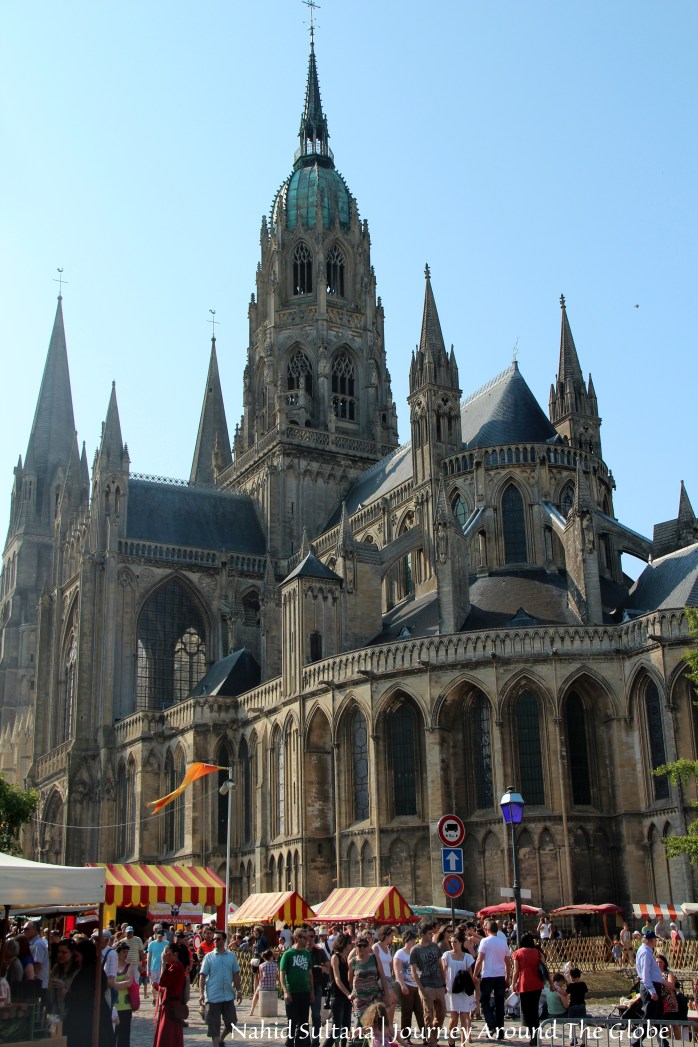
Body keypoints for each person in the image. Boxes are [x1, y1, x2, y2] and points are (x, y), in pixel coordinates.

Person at [63, 939, 114, 1047]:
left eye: (78, 955)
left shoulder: (90, 971)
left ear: (84, 954)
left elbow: (83, 995)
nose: (76, 959)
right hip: (91, 1016)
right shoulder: (92, 969)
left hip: (89, 1019)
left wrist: (67, 994)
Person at [199, 928, 243, 1047]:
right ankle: (216, 1044)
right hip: (213, 996)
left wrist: (239, 990)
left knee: (231, 1023)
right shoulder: (208, 957)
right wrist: (201, 993)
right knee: (214, 1026)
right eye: (214, 939)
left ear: (224, 940)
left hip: (228, 995)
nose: (215, 941)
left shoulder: (231, 956)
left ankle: (221, 1040)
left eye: (218, 939)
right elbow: (202, 976)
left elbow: (235, 975)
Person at [410, 921, 446, 1047]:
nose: (431, 935)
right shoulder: (415, 950)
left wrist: (444, 982)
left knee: (441, 1014)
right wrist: (421, 988)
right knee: (428, 1015)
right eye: (429, 933)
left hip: (438, 984)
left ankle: (433, 1037)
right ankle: (431, 1042)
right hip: (426, 985)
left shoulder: (434, 946)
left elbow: (440, 965)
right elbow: (413, 971)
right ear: (422, 934)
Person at [473, 920, 511, 1041]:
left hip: (488, 975)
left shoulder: (484, 941)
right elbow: (508, 963)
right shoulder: (503, 943)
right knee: (500, 1004)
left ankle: (491, 1025)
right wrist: (507, 977)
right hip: (500, 975)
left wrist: (475, 974)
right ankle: (500, 1031)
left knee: (485, 1001)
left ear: (487, 930)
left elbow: (479, 960)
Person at [511, 933, 547, 1046]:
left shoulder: (517, 953)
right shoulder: (537, 952)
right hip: (537, 983)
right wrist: (550, 982)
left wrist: (513, 984)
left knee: (527, 1011)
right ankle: (536, 1034)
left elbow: (516, 971)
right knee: (534, 1010)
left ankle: (533, 1034)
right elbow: (544, 968)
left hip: (524, 984)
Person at [280, 928, 315, 1047]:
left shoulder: (307, 954)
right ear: (298, 938)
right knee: (292, 1021)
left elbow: (310, 974)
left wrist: (312, 992)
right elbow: (282, 974)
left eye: (309, 938)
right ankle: (289, 1043)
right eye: (305, 938)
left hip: (305, 991)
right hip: (292, 992)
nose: (308, 940)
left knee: (303, 1022)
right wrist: (285, 991)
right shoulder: (288, 954)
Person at [441, 931, 476, 1046]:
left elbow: (470, 973)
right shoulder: (446, 955)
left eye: (455, 942)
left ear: (460, 943)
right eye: (451, 942)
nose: (453, 944)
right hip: (452, 989)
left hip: (464, 989)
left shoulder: (467, 957)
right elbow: (444, 971)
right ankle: (451, 1040)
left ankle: (463, 1042)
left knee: (465, 1016)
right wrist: (443, 985)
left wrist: (472, 988)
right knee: (454, 1017)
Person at [635, 929, 668, 1043]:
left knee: (658, 1015)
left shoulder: (644, 950)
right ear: (651, 940)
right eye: (655, 939)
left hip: (651, 985)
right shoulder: (645, 952)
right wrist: (652, 990)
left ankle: (663, 1043)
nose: (656, 942)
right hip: (650, 986)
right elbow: (645, 973)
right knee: (649, 1016)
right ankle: (636, 1041)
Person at [393, 929, 424, 1045]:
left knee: (420, 1012)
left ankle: (426, 1036)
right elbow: (397, 970)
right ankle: (406, 1036)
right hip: (405, 985)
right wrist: (402, 984)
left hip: (416, 985)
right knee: (406, 1012)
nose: (413, 942)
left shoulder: (415, 952)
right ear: (406, 940)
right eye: (412, 940)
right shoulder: (400, 953)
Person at [321, 932, 352, 1047]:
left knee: (346, 1028)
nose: (351, 945)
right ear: (343, 943)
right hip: (337, 996)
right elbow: (337, 979)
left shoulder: (345, 957)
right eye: (349, 943)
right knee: (336, 1029)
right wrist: (348, 994)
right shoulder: (336, 957)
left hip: (346, 996)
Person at [153, 942, 187, 1047]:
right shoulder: (174, 966)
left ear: (175, 954)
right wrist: (157, 987)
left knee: (168, 1036)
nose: (166, 956)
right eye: (165, 953)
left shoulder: (176, 968)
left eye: (168, 953)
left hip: (171, 1006)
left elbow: (164, 982)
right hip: (169, 1005)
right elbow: (167, 987)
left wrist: (163, 963)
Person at [308, 927, 331, 1038]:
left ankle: (315, 1041)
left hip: (316, 985)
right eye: (306, 937)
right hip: (302, 987)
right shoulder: (299, 952)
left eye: (311, 936)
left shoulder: (319, 951)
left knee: (316, 1015)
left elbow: (328, 967)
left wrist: (321, 968)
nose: (309, 939)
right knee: (301, 1017)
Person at [48, 937, 79, 1020]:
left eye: (64, 952)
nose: (60, 955)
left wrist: (64, 986)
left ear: (72, 953)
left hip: (71, 1013)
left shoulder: (78, 970)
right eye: (58, 952)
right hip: (55, 1012)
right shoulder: (56, 968)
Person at [373, 927, 397, 1026]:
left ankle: (388, 1025)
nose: (392, 938)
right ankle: (388, 1025)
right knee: (392, 1000)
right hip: (381, 978)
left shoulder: (387, 948)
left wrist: (393, 975)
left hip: (388, 977)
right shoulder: (376, 947)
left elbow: (390, 962)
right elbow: (376, 964)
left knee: (391, 1003)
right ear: (386, 936)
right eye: (391, 936)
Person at [114, 940, 135, 1047]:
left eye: (127, 952)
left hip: (125, 1006)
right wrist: (118, 983)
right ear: (118, 952)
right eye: (123, 952)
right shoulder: (112, 966)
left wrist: (113, 983)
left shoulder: (129, 966)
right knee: (111, 1034)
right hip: (113, 1006)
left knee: (124, 1036)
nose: (125, 954)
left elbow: (128, 983)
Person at [23, 919, 49, 997]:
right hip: (39, 984)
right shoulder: (36, 943)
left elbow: (38, 965)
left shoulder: (38, 944)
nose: (24, 931)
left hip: (39, 985)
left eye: (26, 929)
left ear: (35, 930)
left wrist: (32, 983)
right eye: (23, 929)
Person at [148, 927, 168, 1002]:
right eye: (159, 936)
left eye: (161, 936)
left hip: (162, 967)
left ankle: (159, 999)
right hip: (153, 967)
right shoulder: (152, 944)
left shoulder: (166, 943)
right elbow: (149, 957)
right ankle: (154, 998)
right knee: (153, 985)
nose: (160, 937)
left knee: (160, 984)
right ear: (156, 935)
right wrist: (148, 969)